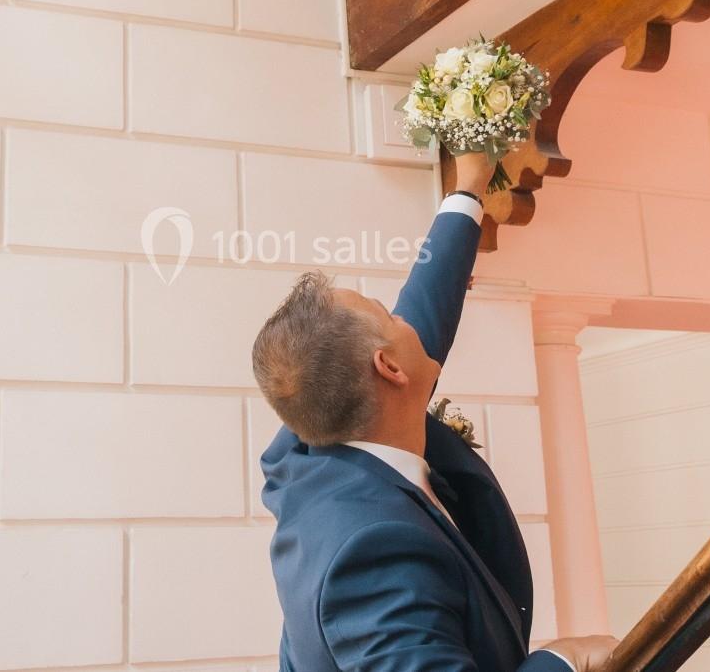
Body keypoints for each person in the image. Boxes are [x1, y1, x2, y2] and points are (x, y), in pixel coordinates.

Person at [253, 151, 618, 672]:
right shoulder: (374, 551)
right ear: (390, 368)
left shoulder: (304, 446)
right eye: (387, 315)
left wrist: (467, 191)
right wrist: (564, 660)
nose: (405, 318)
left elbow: (425, 310)